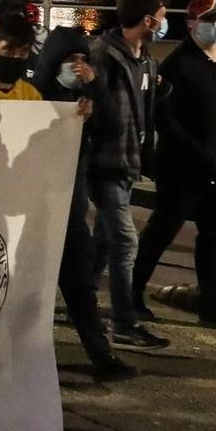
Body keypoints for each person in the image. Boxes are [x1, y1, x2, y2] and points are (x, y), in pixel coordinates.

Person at [134, 0, 216, 334]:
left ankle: (211, 306)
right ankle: (132, 293)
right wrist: (194, 152)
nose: (215, 27)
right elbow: (164, 117)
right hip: (183, 172)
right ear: (190, 25)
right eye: (207, 21)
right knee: (160, 233)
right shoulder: (177, 65)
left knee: (214, 240)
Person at [35, 27, 138, 381]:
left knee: (80, 289)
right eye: (71, 60)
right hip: (35, 213)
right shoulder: (35, 96)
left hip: (71, 211)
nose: (77, 66)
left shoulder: (85, 98)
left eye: (82, 59)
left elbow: (113, 129)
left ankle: (101, 355)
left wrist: (95, 89)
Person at [87, 0, 169, 350]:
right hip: (103, 162)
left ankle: (82, 300)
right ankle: (123, 323)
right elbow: (92, 104)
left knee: (105, 240)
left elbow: (144, 106)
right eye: (162, 17)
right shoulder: (102, 55)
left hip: (129, 161)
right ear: (148, 20)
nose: (165, 23)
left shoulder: (147, 60)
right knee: (124, 240)